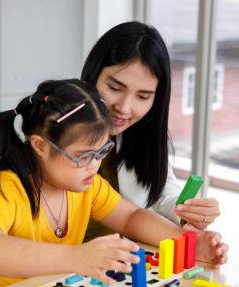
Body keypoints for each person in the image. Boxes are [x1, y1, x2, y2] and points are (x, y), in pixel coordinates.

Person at [0, 79, 227, 287]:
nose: (94, 165)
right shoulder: (5, 187)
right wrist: (76, 256)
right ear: (40, 146)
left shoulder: (86, 185)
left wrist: (188, 243)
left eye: (101, 152)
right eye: (83, 156)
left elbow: (131, 218)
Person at [81, 21, 220, 238]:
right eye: (115, 88)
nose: (124, 108)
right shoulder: (56, 132)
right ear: (92, 74)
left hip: (121, 260)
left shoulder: (143, 133)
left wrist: (188, 211)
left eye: (143, 96)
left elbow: (160, 194)